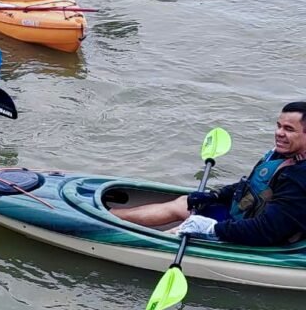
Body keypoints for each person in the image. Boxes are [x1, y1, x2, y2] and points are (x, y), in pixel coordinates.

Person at [112, 102, 306, 246]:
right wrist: (215, 195)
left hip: (261, 237)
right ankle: (112, 215)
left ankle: (118, 239)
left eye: (289, 129)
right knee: (184, 203)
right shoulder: (283, 154)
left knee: (180, 231)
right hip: (245, 218)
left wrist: (211, 229)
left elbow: (267, 230)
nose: (279, 133)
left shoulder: (299, 178)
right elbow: (251, 186)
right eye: (279, 126)